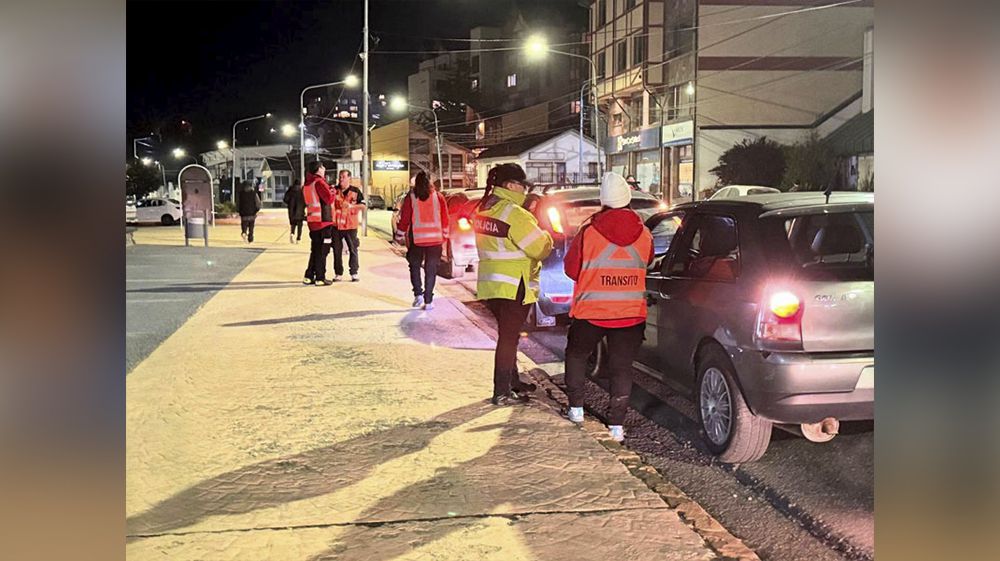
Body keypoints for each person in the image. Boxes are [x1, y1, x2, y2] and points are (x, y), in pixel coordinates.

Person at [562, 172, 654, 442]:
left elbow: (570, 269)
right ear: (628, 199)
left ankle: (576, 409)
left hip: (591, 312)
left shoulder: (588, 231)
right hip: (630, 314)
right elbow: (646, 262)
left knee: (577, 355)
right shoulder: (645, 233)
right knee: (622, 368)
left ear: (603, 201)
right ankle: (616, 426)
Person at [474, 164, 553, 407]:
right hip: (514, 286)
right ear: (510, 185)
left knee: (509, 336)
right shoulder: (514, 214)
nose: (525, 189)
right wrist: (545, 231)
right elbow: (540, 248)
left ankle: (513, 383)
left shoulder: (485, 209)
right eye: (522, 185)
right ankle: (501, 391)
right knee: (508, 339)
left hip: (492, 285)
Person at [394, 172, 449, 310]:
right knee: (431, 270)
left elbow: (405, 219)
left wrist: (399, 236)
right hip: (435, 240)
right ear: (430, 183)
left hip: (417, 240)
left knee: (414, 266)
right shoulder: (439, 197)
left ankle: (418, 294)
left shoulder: (411, 198)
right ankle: (429, 301)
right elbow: (445, 218)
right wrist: (445, 236)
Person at [302, 161, 337, 286]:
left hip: (313, 221)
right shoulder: (319, 182)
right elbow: (328, 199)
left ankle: (309, 276)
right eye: (323, 167)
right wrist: (332, 190)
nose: (324, 169)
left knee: (316, 250)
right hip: (323, 222)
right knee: (323, 250)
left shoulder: (307, 184)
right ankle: (320, 278)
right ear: (318, 169)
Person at [332, 169, 365, 282]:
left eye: (343, 177)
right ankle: (338, 273)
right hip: (336, 226)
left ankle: (354, 273)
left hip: (351, 226)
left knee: (353, 249)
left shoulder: (356, 191)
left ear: (349, 178)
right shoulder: (334, 190)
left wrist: (351, 206)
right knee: (337, 251)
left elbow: (363, 206)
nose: (341, 179)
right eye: (340, 177)